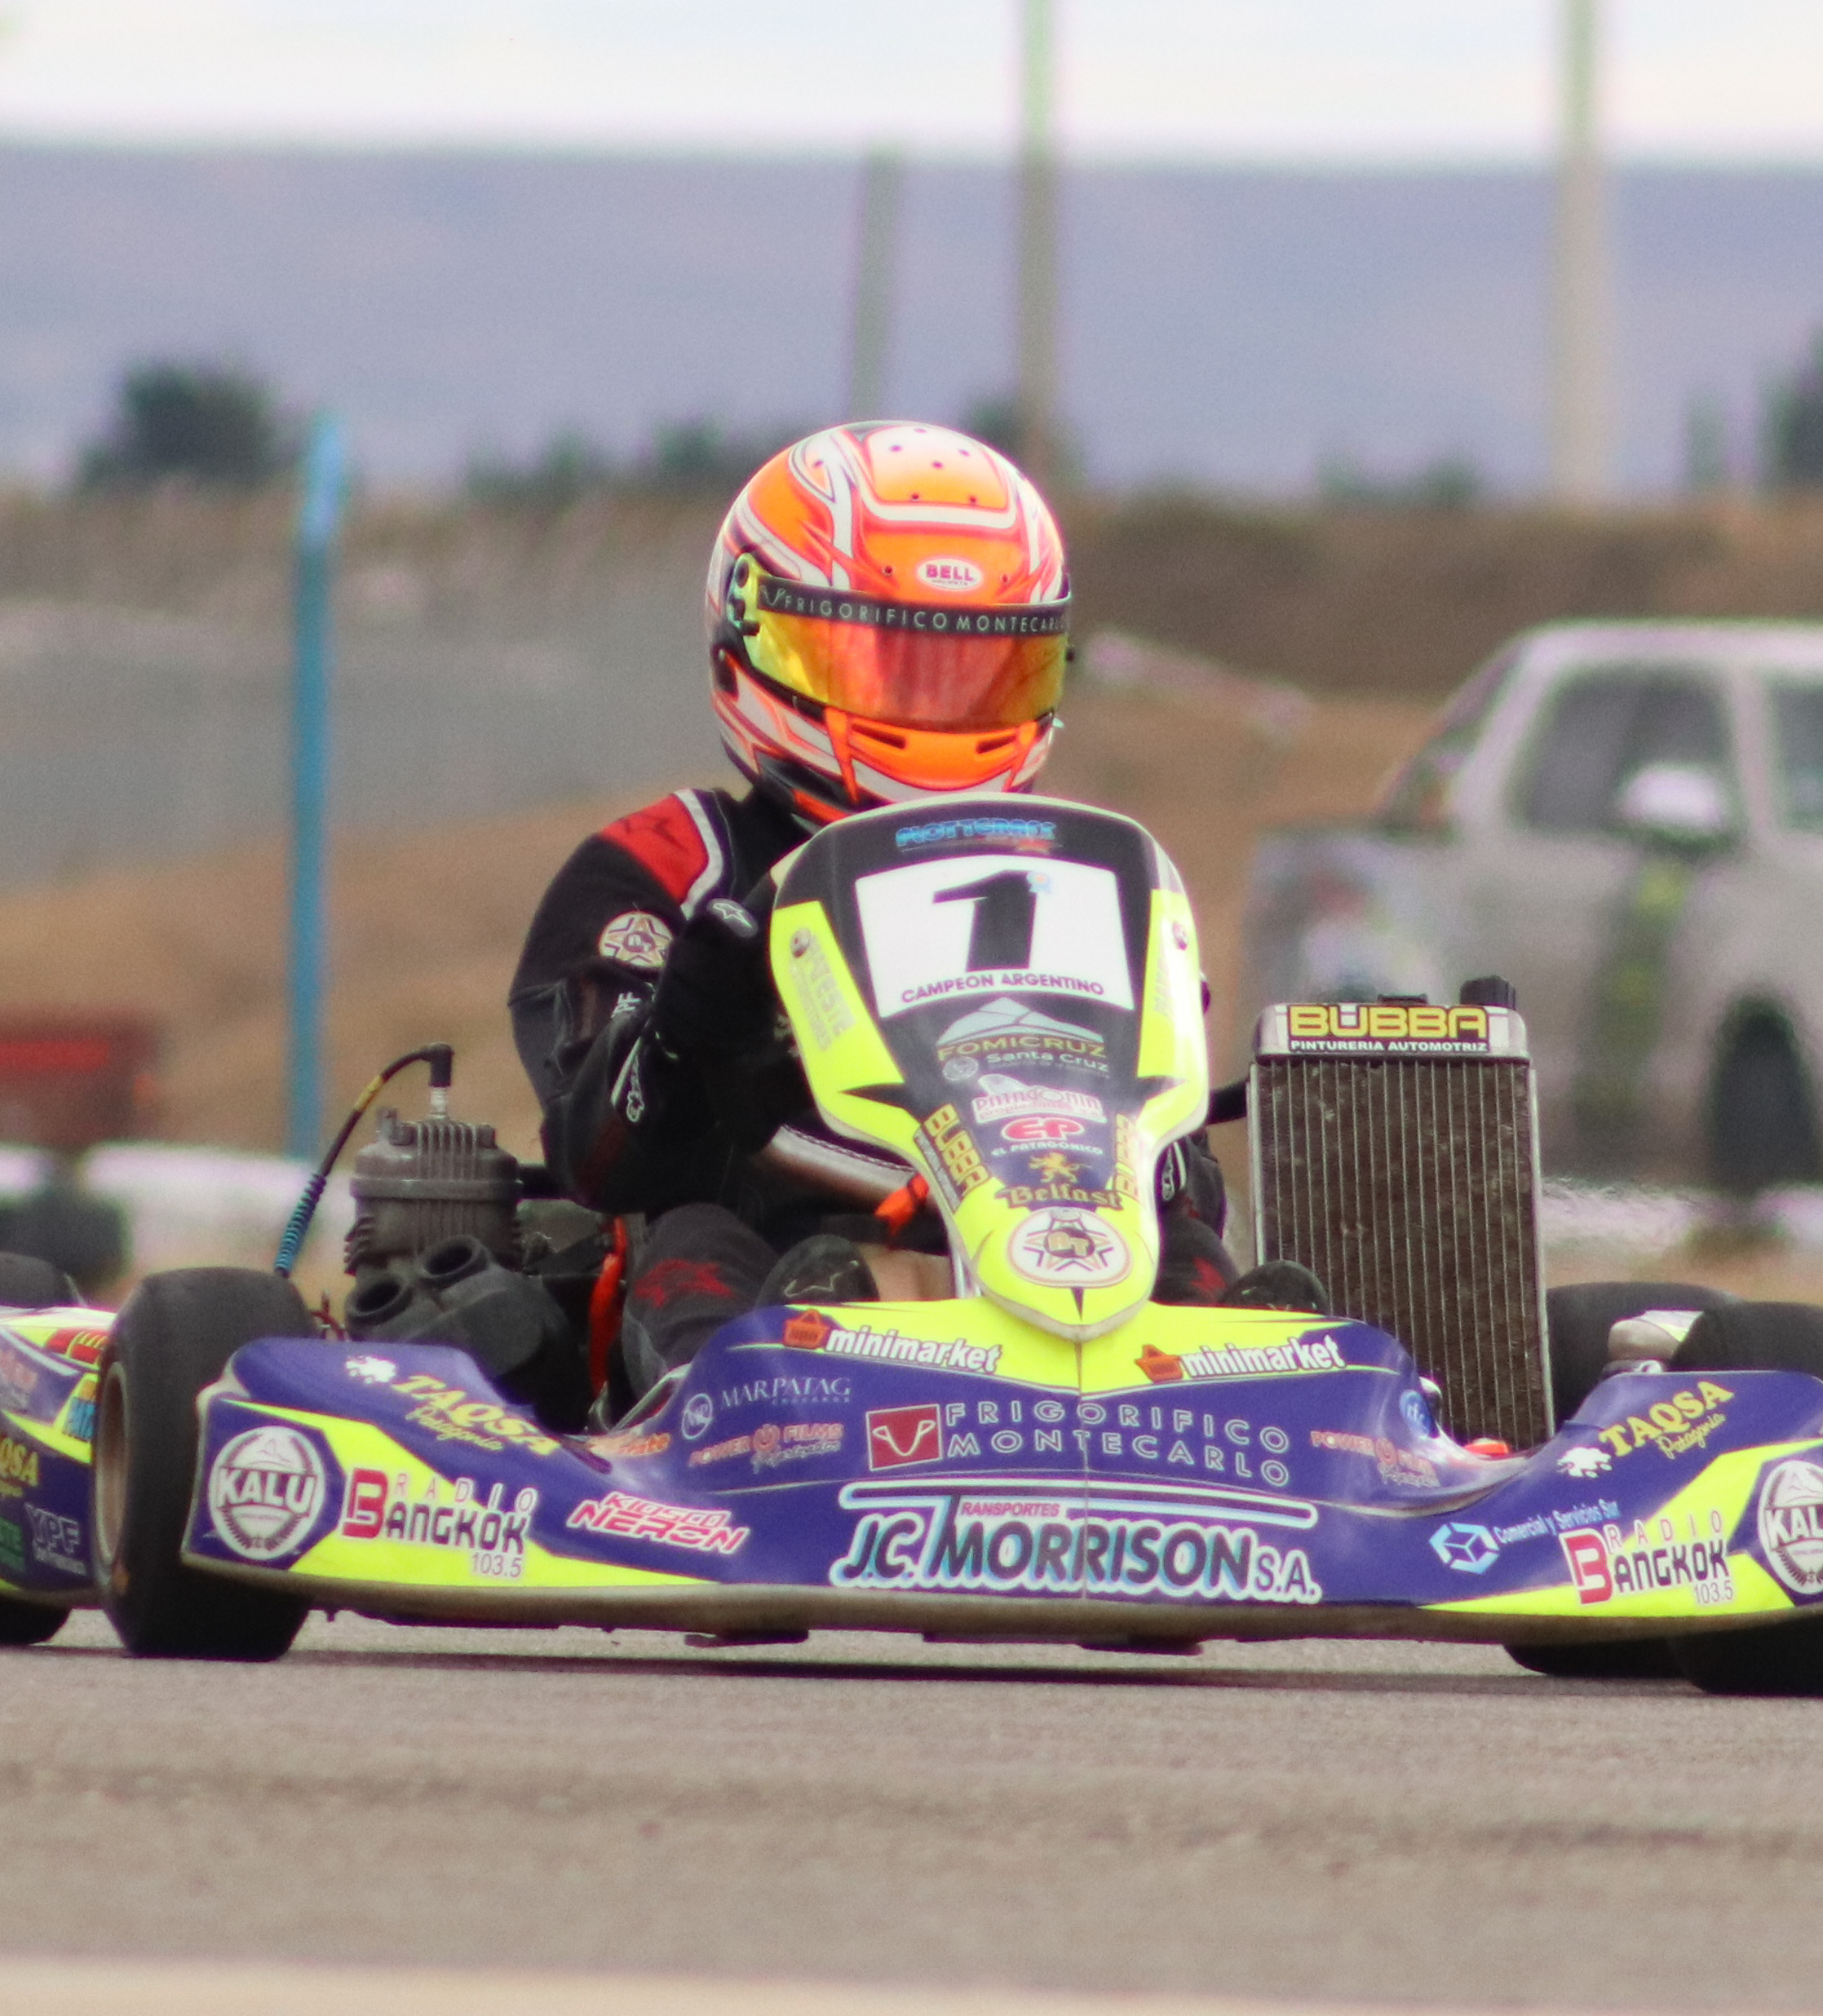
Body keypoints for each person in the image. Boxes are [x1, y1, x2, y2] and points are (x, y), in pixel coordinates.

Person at [508, 422, 1281, 1404]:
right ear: (759, 637)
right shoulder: (667, 868)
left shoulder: (1075, 877)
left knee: (1187, 1236)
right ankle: (742, 1440)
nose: (938, 711)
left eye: (977, 674)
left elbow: (1182, 1173)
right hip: (797, 1298)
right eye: (894, 669)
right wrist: (681, 1032)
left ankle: (1254, 1407)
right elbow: (596, 1163)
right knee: (694, 1235)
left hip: (1070, 1273)